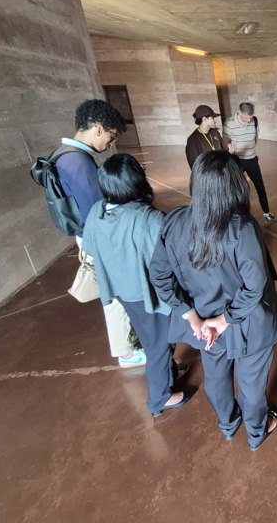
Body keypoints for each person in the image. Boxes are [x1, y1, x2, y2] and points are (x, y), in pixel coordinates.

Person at [149, 151, 277, 451]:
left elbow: (159, 276)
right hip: (246, 324)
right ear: (236, 185)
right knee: (251, 382)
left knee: (217, 376)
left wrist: (192, 316)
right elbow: (255, 286)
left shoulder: (174, 222)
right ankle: (257, 431)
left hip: (203, 325)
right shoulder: (241, 228)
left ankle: (228, 424)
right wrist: (223, 321)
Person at [82, 154, 192, 417]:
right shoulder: (148, 218)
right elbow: (173, 259)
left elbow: (89, 247)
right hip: (150, 295)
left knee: (151, 338)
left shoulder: (97, 212)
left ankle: (168, 373)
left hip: (124, 290)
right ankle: (160, 398)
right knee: (158, 345)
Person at [55, 99, 144, 369]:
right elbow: (100, 209)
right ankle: (126, 352)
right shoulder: (78, 163)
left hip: (86, 235)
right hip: (98, 238)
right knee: (115, 295)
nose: (109, 143)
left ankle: (127, 346)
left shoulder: (62, 154)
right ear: (97, 128)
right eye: (110, 136)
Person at [222, 102, 276, 223]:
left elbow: (255, 138)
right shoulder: (229, 123)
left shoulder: (254, 121)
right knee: (238, 189)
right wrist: (230, 150)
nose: (249, 120)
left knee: (260, 187)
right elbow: (224, 142)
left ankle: (267, 212)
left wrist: (249, 149)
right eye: (246, 117)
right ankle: (240, 215)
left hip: (251, 159)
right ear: (240, 113)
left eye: (250, 117)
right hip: (237, 160)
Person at [186, 104, 225, 169]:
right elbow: (194, 166)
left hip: (220, 172)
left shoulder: (215, 133)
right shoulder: (192, 140)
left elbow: (222, 152)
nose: (215, 120)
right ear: (204, 119)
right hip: (208, 177)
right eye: (213, 118)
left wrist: (229, 152)